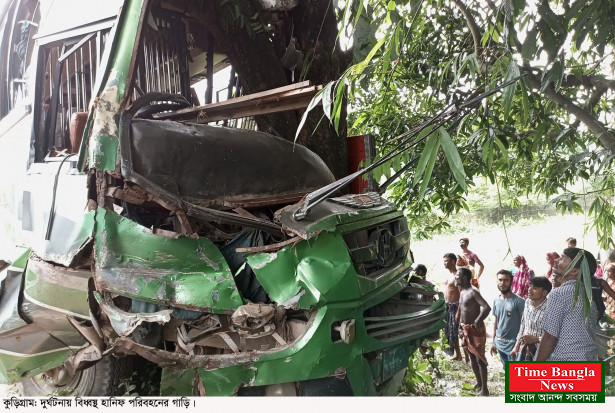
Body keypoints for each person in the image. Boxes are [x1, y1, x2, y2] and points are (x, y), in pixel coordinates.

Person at [536, 248, 598, 361]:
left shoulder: (560, 293)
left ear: (574, 271)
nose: (556, 260)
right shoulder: (589, 298)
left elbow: (550, 337)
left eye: (562, 258)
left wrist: (535, 368)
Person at [456, 267, 491, 396]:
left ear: (464, 278)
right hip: (466, 329)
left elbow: (486, 307)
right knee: (472, 356)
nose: (456, 278)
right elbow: (462, 309)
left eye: (457, 276)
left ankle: (485, 390)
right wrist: (460, 326)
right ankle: (479, 383)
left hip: (475, 330)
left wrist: (477, 321)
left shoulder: (473, 291)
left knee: (480, 359)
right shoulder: (462, 291)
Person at [510, 276, 551, 361]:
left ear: (544, 292)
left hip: (541, 351)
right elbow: (523, 324)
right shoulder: (528, 302)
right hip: (525, 348)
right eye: (530, 286)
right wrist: (516, 347)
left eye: (535, 288)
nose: (529, 290)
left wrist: (536, 339)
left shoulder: (550, 309)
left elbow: (552, 336)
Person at [490, 269, 525, 368]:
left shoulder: (519, 301)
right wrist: (494, 342)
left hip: (514, 345)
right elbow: (496, 322)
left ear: (511, 282)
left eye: (506, 280)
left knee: (516, 374)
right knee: (507, 371)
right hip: (500, 343)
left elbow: (524, 324)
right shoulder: (496, 300)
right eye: (500, 280)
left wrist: (518, 345)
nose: (502, 283)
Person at [443, 252, 462, 360]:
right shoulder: (448, 275)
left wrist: (459, 310)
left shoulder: (457, 276)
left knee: (455, 331)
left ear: (453, 261)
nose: (444, 263)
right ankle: (457, 354)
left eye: (446, 261)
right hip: (447, 305)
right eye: (444, 261)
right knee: (449, 330)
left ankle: (462, 355)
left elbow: (462, 293)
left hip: (455, 307)